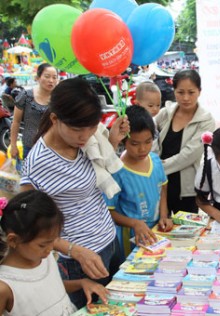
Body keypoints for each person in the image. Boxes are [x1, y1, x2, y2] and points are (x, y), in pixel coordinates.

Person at [20, 78, 129, 308]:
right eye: (78, 129)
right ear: (54, 119)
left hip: (109, 239)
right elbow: (32, 225)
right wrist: (75, 251)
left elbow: (95, 174)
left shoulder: (86, 141)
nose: (86, 135)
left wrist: (112, 139)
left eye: (91, 127)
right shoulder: (40, 163)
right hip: (80, 260)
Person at [0, 191, 108, 315]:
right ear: (13, 240)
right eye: (43, 244)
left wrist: (81, 283)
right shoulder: (4, 286)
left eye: (54, 241)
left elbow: (49, 288)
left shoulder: (44, 256)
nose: (51, 248)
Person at [105, 106, 173, 258]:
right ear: (123, 140)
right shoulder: (116, 170)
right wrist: (134, 223)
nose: (143, 149)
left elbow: (162, 189)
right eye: (135, 144)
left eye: (148, 142)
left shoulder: (155, 161)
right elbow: (109, 211)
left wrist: (164, 215)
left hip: (156, 232)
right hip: (130, 237)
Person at [155, 70, 216, 214]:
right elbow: (151, 138)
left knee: (184, 233)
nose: (186, 98)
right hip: (158, 186)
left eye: (191, 92)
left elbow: (189, 155)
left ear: (199, 91)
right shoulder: (165, 113)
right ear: (174, 91)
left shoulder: (206, 120)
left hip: (186, 190)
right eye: (180, 92)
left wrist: (156, 169)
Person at [10, 63, 58, 159]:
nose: (51, 81)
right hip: (30, 147)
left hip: (54, 148)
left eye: (54, 77)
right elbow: (16, 121)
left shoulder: (59, 98)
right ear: (38, 78)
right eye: (47, 76)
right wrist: (13, 145)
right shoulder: (26, 96)